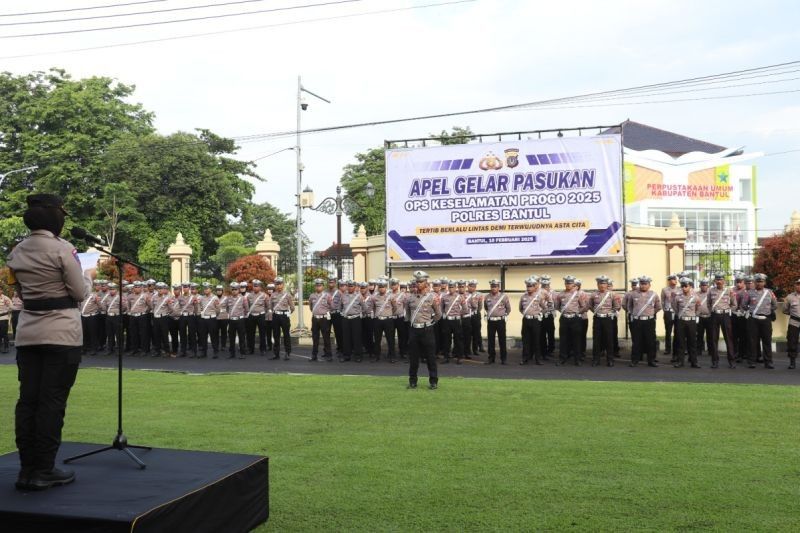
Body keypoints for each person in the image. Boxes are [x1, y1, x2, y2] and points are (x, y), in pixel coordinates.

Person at [7, 193, 93, 491]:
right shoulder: (63, 248)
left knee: (28, 400)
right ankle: (44, 469)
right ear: (55, 217)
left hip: (28, 331)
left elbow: (19, 288)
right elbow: (79, 292)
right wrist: (90, 279)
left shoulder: (16, 250)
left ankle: (26, 469)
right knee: (52, 402)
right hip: (60, 332)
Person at [404, 271, 442, 389]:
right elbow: (408, 315)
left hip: (427, 330)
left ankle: (433, 381)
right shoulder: (410, 298)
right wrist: (412, 324)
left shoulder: (432, 297)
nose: (418, 284)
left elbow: (438, 314)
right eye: (417, 281)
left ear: (426, 283)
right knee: (413, 358)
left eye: (421, 281)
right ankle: (413, 380)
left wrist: (430, 323)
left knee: (430, 357)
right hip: (414, 330)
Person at [742, 273, 777, 369]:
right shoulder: (749, 293)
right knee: (752, 341)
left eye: (761, 281)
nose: (759, 283)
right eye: (757, 281)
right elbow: (744, 305)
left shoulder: (769, 292)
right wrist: (751, 311)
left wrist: (767, 312)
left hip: (765, 320)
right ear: (754, 282)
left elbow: (775, 305)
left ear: (764, 282)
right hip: (753, 319)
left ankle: (768, 362)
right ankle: (752, 361)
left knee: (767, 341)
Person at [627, 275, 661, 367]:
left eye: (645, 284)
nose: (643, 286)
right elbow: (629, 306)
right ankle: (635, 360)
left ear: (649, 285)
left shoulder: (654, 295)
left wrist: (650, 313)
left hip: (649, 321)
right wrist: (633, 313)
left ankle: (651, 360)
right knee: (636, 341)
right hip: (637, 321)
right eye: (641, 284)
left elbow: (658, 307)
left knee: (650, 341)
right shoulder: (633, 294)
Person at [554, 275, 587, 366]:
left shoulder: (579, 294)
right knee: (563, 339)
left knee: (576, 339)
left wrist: (576, 313)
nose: (568, 285)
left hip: (575, 318)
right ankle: (562, 358)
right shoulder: (560, 294)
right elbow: (557, 306)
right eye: (566, 283)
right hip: (564, 318)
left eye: (570, 283)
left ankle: (577, 359)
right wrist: (565, 312)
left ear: (573, 284)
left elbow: (583, 306)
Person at [707, 273, 737, 369]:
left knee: (729, 338)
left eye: (721, 279)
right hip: (715, 315)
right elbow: (708, 304)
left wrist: (728, 311)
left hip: (725, 315)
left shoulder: (729, 291)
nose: (719, 281)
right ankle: (715, 361)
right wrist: (712, 311)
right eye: (717, 279)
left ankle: (731, 361)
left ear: (724, 281)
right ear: (715, 281)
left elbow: (734, 304)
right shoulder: (711, 291)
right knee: (713, 338)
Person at [591, 275, 620, 367]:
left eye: (604, 283)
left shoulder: (612, 294)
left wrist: (609, 313)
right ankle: (596, 359)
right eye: (600, 283)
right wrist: (597, 312)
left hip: (608, 319)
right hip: (597, 318)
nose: (602, 285)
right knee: (596, 340)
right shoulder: (593, 294)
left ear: (607, 284)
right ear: (597, 284)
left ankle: (610, 360)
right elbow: (590, 306)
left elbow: (617, 307)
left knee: (609, 340)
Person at [673, 277, 701, 368]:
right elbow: (675, 308)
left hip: (691, 321)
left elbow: (698, 309)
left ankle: (694, 362)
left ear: (690, 286)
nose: (684, 288)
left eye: (686, 286)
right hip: (681, 321)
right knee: (680, 342)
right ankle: (680, 361)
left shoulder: (695, 297)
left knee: (692, 342)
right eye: (682, 286)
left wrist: (693, 315)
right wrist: (680, 315)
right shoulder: (677, 297)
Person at [519, 276, 547, 365]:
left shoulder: (538, 297)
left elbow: (544, 308)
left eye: (531, 286)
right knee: (526, 340)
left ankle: (538, 359)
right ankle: (525, 358)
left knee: (536, 340)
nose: (529, 288)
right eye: (528, 286)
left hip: (535, 320)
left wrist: (539, 314)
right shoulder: (523, 297)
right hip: (526, 320)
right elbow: (520, 309)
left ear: (535, 287)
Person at [483, 279, 511, 364]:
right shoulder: (487, 297)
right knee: (491, 340)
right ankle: (491, 358)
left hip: (500, 321)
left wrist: (503, 315)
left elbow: (508, 308)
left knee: (502, 340)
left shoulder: (504, 297)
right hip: (491, 321)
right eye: (492, 286)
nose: (493, 288)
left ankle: (503, 359)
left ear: (498, 287)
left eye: (495, 286)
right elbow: (486, 307)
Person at [370, 279, 397, 362]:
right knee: (377, 339)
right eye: (380, 287)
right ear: (378, 288)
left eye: (383, 287)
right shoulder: (374, 297)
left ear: (386, 287)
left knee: (390, 339)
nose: (382, 289)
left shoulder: (391, 296)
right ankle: (376, 356)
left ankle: (392, 356)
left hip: (388, 320)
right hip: (378, 320)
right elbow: (373, 307)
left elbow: (395, 307)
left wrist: (388, 314)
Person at [440, 280, 466, 364]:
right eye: (450, 287)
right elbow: (441, 308)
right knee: (446, 339)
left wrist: (458, 314)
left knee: (458, 339)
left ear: (455, 288)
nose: (451, 289)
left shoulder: (460, 297)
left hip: (456, 320)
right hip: (447, 321)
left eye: (453, 287)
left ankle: (459, 357)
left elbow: (465, 309)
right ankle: (446, 357)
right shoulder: (444, 297)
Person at [308, 278, 333, 361]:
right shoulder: (312, 296)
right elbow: (311, 307)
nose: (318, 287)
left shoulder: (327, 295)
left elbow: (331, 306)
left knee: (326, 337)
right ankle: (314, 355)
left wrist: (325, 313)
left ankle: (328, 355)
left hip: (324, 319)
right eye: (317, 285)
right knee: (315, 338)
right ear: (315, 286)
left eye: (320, 285)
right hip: (315, 319)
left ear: (323, 286)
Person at [270, 277, 294, 360]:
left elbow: (292, 307)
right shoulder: (272, 295)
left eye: (280, 284)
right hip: (276, 316)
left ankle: (287, 353)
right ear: (275, 285)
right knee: (276, 335)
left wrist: (287, 314)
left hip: (284, 316)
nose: (278, 286)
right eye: (277, 284)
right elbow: (271, 306)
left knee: (286, 335)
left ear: (283, 285)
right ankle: (276, 354)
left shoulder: (287, 295)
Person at [340, 280, 364, 362]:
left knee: (357, 338)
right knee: (346, 338)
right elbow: (340, 307)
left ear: (355, 287)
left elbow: (364, 307)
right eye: (349, 286)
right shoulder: (343, 296)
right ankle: (346, 355)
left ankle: (358, 356)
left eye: (351, 286)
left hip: (355, 319)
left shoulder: (359, 296)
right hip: (346, 319)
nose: (350, 287)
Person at [226, 282, 249, 359]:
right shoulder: (228, 298)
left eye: (235, 289)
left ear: (238, 290)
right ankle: (232, 353)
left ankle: (242, 353)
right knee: (231, 338)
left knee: (241, 337)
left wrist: (241, 316)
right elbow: (227, 309)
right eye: (232, 289)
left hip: (240, 320)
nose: (234, 291)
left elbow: (246, 309)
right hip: (231, 321)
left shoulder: (243, 298)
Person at [246, 280, 269, 356]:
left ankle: (263, 349)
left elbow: (267, 306)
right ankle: (250, 349)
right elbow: (248, 306)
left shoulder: (264, 295)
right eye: (254, 286)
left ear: (260, 287)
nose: (255, 288)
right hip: (252, 316)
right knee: (250, 334)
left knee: (262, 333)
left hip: (261, 316)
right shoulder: (249, 296)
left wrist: (263, 312)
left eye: (257, 286)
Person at [101, 282, 125, 356]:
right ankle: (110, 349)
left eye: (113, 289)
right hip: (109, 316)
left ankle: (119, 350)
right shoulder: (107, 297)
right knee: (109, 334)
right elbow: (104, 307)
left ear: (116, 290)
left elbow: (124, 307)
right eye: (110, 289)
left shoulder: (120, 297)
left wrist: (118, 312)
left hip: (117, 316)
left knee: (118, 334)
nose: (112, 291)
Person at [783, 279, 800, 370]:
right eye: (797, 284)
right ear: (795, 286)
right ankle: (792, 362)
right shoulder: (789, 297)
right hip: (794, 322)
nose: (799, 286)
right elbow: (785, 310)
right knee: (792, 342)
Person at [661, 274, 679, 359]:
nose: (673, 281)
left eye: (674, 279)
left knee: (678, 331)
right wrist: (665, 311)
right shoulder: (664, 290)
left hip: (677, 312)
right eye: (671, 279)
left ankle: (678, 348)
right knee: (668, 331)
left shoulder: (680, 289)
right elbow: (662, 301)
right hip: (668, 311)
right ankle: (668, 349)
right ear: (669, 281)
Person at [539, 275, 556, 359]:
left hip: (549, 314)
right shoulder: (538, 292)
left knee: (551, 333)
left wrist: (553, 311)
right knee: (542, 333)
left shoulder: (553, 292)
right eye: (543, 284)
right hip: (541, 315)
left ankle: (551, 350)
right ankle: (543, 351)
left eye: (547, 283)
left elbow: (556, 303)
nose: (545, 286)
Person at [467, 280, 484, 355]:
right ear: (468, 286)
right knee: (467, 333)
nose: (472, 288)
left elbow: (480, 306)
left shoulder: (479, 294)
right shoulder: (464, 294)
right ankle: (467, 350)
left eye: (474, 286)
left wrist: (476, 312)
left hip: (475, 315)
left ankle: (475, 349)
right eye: (470, 286)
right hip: (467, 315)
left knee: (476, 333)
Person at [215, 285, 229, 353]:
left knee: (224, 332)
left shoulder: (226, 298)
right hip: (216, 317)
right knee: (216, 332)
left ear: (222, 291)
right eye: (217, 290)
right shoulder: (214, 298)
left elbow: (228, 307)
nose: (219, 291)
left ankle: (223, 345)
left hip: (224, 317)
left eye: (220, 290)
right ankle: (216, 345)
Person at [0, 286, 12, 353]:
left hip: (4, 317)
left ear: (2, 291)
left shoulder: (5, 298)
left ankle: (6, 347)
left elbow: (11, 306)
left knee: (4, 333)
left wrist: (7, 311)